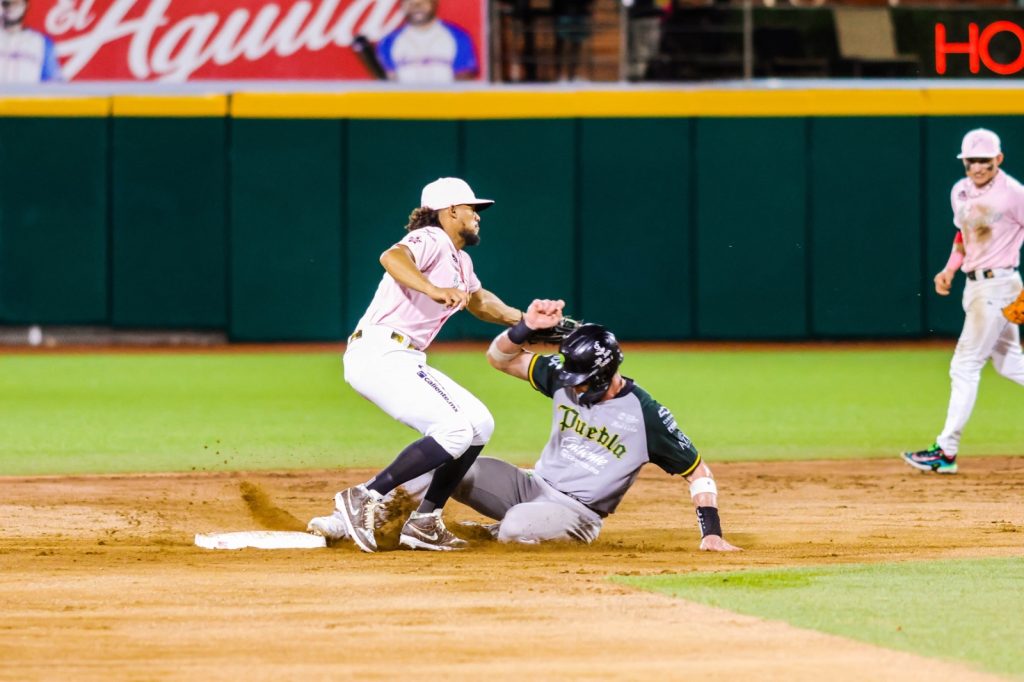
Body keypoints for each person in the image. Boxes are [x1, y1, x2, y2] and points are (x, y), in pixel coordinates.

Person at [368, 304, 742, 551]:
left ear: (605, 372)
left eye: (582, 378)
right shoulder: (563, 377)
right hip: (529, 486)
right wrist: (525, 327)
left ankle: (505, 531)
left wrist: (711, 532)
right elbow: (498, 358)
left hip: (578, 513)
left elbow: (699, 472)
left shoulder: (647, 415)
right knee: (452, 465)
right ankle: (369, 515)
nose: (573, 384)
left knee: (515, 526)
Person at [307, 177, 536, 552]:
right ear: (450, 211)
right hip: (380, 351)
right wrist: (432, 289)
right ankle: (364, 497)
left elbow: (480, 303)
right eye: (472, 209)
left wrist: (525, 321)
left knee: (479, 424)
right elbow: (391, 257)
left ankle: (425, 521)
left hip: (404, 356)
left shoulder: (461, 259)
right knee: (453, 430)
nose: (478, 216)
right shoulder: (431, 239)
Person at [902, 128, 1024, 475]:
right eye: (972, 160)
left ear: (998, 159)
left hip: (999, 286)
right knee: (1010, 364)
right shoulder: (960, 190)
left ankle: (946, 451)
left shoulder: (1014, 194)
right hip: (977, 285)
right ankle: (946, 452)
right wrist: (950, 268)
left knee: (964, 365)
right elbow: (965, 233)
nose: (978, 166)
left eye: (985, 160)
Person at [375, 0, 479, 83]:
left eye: (422, 2)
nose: (416, 7)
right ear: (402, 5)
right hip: (405, 106)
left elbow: (465, 78)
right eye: (410, 3)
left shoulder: (458, 37)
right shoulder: (388, 42)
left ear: (434, 2)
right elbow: (388, 84)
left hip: (446, 105)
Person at [0, 0, 63, 83]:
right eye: (6, 3)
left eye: (16, 3)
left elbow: (54, 82)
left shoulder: (41, 42)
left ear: (25, 5)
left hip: (26, 95)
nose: (11, 7)